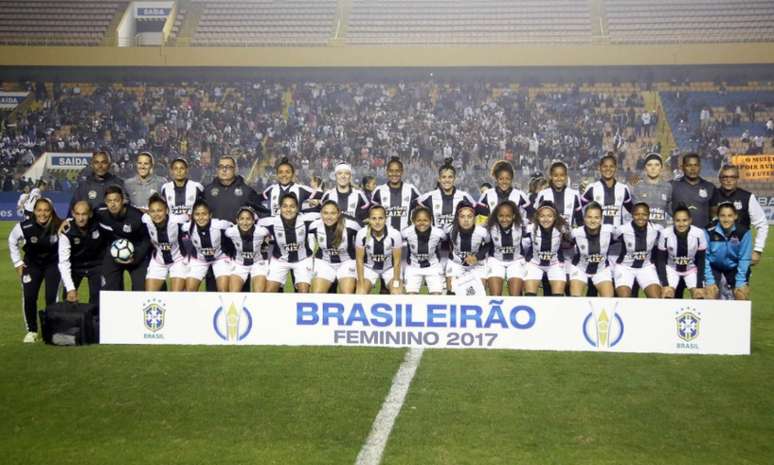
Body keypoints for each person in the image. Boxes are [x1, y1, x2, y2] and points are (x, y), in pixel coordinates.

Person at [8, 198, 62, 343]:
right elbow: (12, 240)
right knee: (29, 296)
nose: (42, 214)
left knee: (52, 298)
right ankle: (32, 331)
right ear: (34, 211)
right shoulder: (24, 227)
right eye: (39, 210)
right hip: (32, 265)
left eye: (46, 210)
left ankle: (51, 330)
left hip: (53, 265)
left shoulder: (60, 225)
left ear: (51, 211)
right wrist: (18, 263)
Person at [709, 164, 768, 265]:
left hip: (740, 252)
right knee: (713, 281)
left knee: (740, 280)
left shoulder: (747, 197)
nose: (728, 180)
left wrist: (758, 250)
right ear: (719, 179)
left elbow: (762, 224)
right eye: (725, 177)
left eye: (732, 177)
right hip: (714, 253)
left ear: (737, 178)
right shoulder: (711, 196)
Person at [96, 185, 151, 291]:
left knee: (140, 288)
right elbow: (84, 215)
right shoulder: (100, 213)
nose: (113, 204)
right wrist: (68, 220)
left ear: (123, 201)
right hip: (113, 255)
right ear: (105, 202)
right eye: (109, 201)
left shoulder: (136, 216)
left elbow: (146, 239)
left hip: (135, 255)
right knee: (110, 289)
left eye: (116, 200)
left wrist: (136, 257)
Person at [259, 193, 316, 293]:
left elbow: (325, 216)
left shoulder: (306, 220)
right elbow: (254, 224)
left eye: (292, 206)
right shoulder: (271, 222)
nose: (288, 210)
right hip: (280, 260)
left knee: (304, 292)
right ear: (280, 208)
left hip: (302, 260)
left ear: (297, 208)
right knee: (268, 292)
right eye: (285, 206)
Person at [58, 201, 108, 305]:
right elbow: (63, 262)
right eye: (78, 214)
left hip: (96, 265)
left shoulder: (100, 224)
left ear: (90, 214)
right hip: (75, 266)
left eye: (84, 214)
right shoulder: (66, 232)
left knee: (98, 300)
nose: (81, 218)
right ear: (73, 214)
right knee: (68, 299)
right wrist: (70, 289)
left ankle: (95, 321)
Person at [308, 200, 362, 294]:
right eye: (325, 213)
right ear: (321, 213)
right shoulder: (314, 226)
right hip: (324, 262)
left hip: (347, 262)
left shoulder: (351, 225)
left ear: (339, 213)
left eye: (333, 213)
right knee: (317, 294)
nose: (329, 217)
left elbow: (364, 237)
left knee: (347, 293)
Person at [655, 206, 707, 299]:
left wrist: (699, 285)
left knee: (699, 295)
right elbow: (661, 261)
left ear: (690, 220)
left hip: (691, 270)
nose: (681, 224)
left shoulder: (699, 234)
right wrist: (665, 284)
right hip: (672, 269)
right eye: (678, 220)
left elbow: (701, 261)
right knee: (667, 294)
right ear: (673, 221)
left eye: (684, 220)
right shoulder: (665, 234)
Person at [613, 203, 663, 298]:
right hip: (625, 268)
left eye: (644, 214)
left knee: (656, 299)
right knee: (624, 298)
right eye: (637, 214)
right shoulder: (623, 230)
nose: (640, 217)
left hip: (646, 267)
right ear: (632, 215)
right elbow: (610, 241)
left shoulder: (657, 229)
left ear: (649, 215)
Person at [704, 202, 752, 300]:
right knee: (710, 293)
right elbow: (705, 258)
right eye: (722, 216)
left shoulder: (743, 233)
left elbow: (744, 259)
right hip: (714, 267)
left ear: (735, 216)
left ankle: (739, 315)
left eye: (730, 216)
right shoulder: (708, 231)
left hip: (734, 267)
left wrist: (740, 282)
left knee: (741, 293)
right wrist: (709, 280)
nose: (726, 219)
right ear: (717, 217)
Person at [184, 200, 234, 292]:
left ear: (210, 215)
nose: (201, 217)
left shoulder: (220, 225)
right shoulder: (187, 227)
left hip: (220, 258)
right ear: (193, 216)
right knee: (189, 291)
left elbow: (235, 228)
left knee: (223, 290)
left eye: (204, 214)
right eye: (197, 214)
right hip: (199, 260)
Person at [523, 202, 571, 296]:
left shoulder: (562, 229)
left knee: (557, 297)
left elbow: (571, 243)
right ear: (537, 217)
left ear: (555, 217)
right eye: (542, 216)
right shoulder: (530, 229)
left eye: (549, 216)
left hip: (555, 264)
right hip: (534, 264)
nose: (546, 219)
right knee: (529, 296)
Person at [142, 194, 188, 292]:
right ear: (148, 212)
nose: (156, 214)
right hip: (158, 262)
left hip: (178, 261)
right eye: (152, 211)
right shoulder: (146, 220)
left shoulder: (177, 220)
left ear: (166, 210)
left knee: (176, 297)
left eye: (159, 210)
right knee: (149, 296)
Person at [569, 202, 615, 297]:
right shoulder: (575, 233)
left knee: (608, 300)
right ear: (584, 218)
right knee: (575, 300)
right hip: (580, 269)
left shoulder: (610, 231)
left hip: (601, 270)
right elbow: (564, 244)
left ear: (601, 219)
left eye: (596, 217)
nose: (593, 221)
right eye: (589, 217)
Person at [355, 205, 403, 295]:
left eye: (380, 218)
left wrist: (396, 283)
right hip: (369, 268)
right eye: (374, 218)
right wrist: (361, 283)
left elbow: (397, 261)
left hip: (389, 268)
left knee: (397, 292)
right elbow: (359, 260)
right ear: (369, 219)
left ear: (386, 219)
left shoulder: (395, 234)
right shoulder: (362, 234)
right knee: (360, 293)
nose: (377, 222)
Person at [417, 160, 478, 229]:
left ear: (455, 179)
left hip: (457, 239)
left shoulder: (464, 196)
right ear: (439, 179)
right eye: (444, 177)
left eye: (450, 177)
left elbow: (479, 211)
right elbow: (414, 205)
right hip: (436, 239)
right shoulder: (429, 196)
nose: (447, 180)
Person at [485, 200, 527, 297]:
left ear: (513, 216)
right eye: (501, 216)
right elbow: (484, 243)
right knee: (495, 296)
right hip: (496, 260)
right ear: (497, 216)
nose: (504, 219)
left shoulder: (522, 227)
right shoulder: (490, 227)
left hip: (516, 261)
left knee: (515, 296)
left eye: (508, 216)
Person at [445, 202, 489, 293]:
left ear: (474, 218)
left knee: (479, 293)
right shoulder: (449, 230)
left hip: (477, 265)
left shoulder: (482, 232)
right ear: (457, 218)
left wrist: (477, 257)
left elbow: (489, 244)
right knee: (452, 293)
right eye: (462, 217)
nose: (466, 220)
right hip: (456, 264)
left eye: (469, 217)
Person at [401, 206, 447, 295]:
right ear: (413, 221)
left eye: (425, 220)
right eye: (418, 220)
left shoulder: (439, 233)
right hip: (413, 267)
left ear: (431, 221)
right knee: (411, 296)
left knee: (436, 296)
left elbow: (446, 242)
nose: (422, 223)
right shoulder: (406, 233)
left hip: (433, 266)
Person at [203, 156, 262, 223]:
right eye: (221, 167)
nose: (224, 170)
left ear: (235, 169)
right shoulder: (207, 191)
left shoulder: (247, 191)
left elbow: (261, 214)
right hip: (214, 232)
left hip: (237, 233)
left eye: (228, 167)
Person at [581, 154, 634, 228]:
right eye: (605, 166)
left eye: (611, 166)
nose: (608, 169)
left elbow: (633, 211)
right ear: (599, 168)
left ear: (615, 168)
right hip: (597, 236)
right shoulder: (592, 188)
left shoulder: (623, 188)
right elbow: (578, 208)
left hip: (617, 236)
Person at [225, 206, 270, 293]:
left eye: (248, 219)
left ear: (253, 221)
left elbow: (271, 235)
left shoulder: (262, 231)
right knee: (233, 294)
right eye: (241, 219)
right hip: (239, 264)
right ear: (237, 221)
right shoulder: (230, 232)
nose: (245, 223)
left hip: (258, 264)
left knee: (259, 294)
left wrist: (265, 245)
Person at [370, 157, 421, 231]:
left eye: (397, 171)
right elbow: (372, 214)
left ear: (402, 172)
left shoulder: (411, 189)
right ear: (387, 172)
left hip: (406, 239)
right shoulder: (379, 190)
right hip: (386, 238)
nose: (394, 174)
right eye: (391, 171)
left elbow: (421, 211)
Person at [671, 152, 715, 229]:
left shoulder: (710, 187)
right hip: (678, 235)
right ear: (683, 167)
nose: (693, 169)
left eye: (696, 165)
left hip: (702, 236)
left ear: (700, 167)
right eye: (689, 165)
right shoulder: (672, 185)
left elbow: (714, 215)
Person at [534, 162, 582, 227]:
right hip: (548, 236)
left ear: (566, 176)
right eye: (555, 175)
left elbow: (580, 220)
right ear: (551, 176)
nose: (559, 178)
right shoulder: (543, 194)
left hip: (568, 236)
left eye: (562, 175)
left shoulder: (574, 194)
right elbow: (537, 217)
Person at [631, 153, 673, 228]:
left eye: (657, 165)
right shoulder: (637, 187)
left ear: (661, 167)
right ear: (645, 168)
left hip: (661, 232)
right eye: (649, 165)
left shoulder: (668, 187)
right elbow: (634, 212)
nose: (653, 168)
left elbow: (671, 211)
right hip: (642, 231)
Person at [159, 158, 204, 222]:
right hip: (172, 227)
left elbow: (204, 208)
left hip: (192, 226)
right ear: (171, 171)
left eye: (182, 168)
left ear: (187, 170)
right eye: (176, 168)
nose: (179, 171)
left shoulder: (197, 187)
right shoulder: (165, 188)